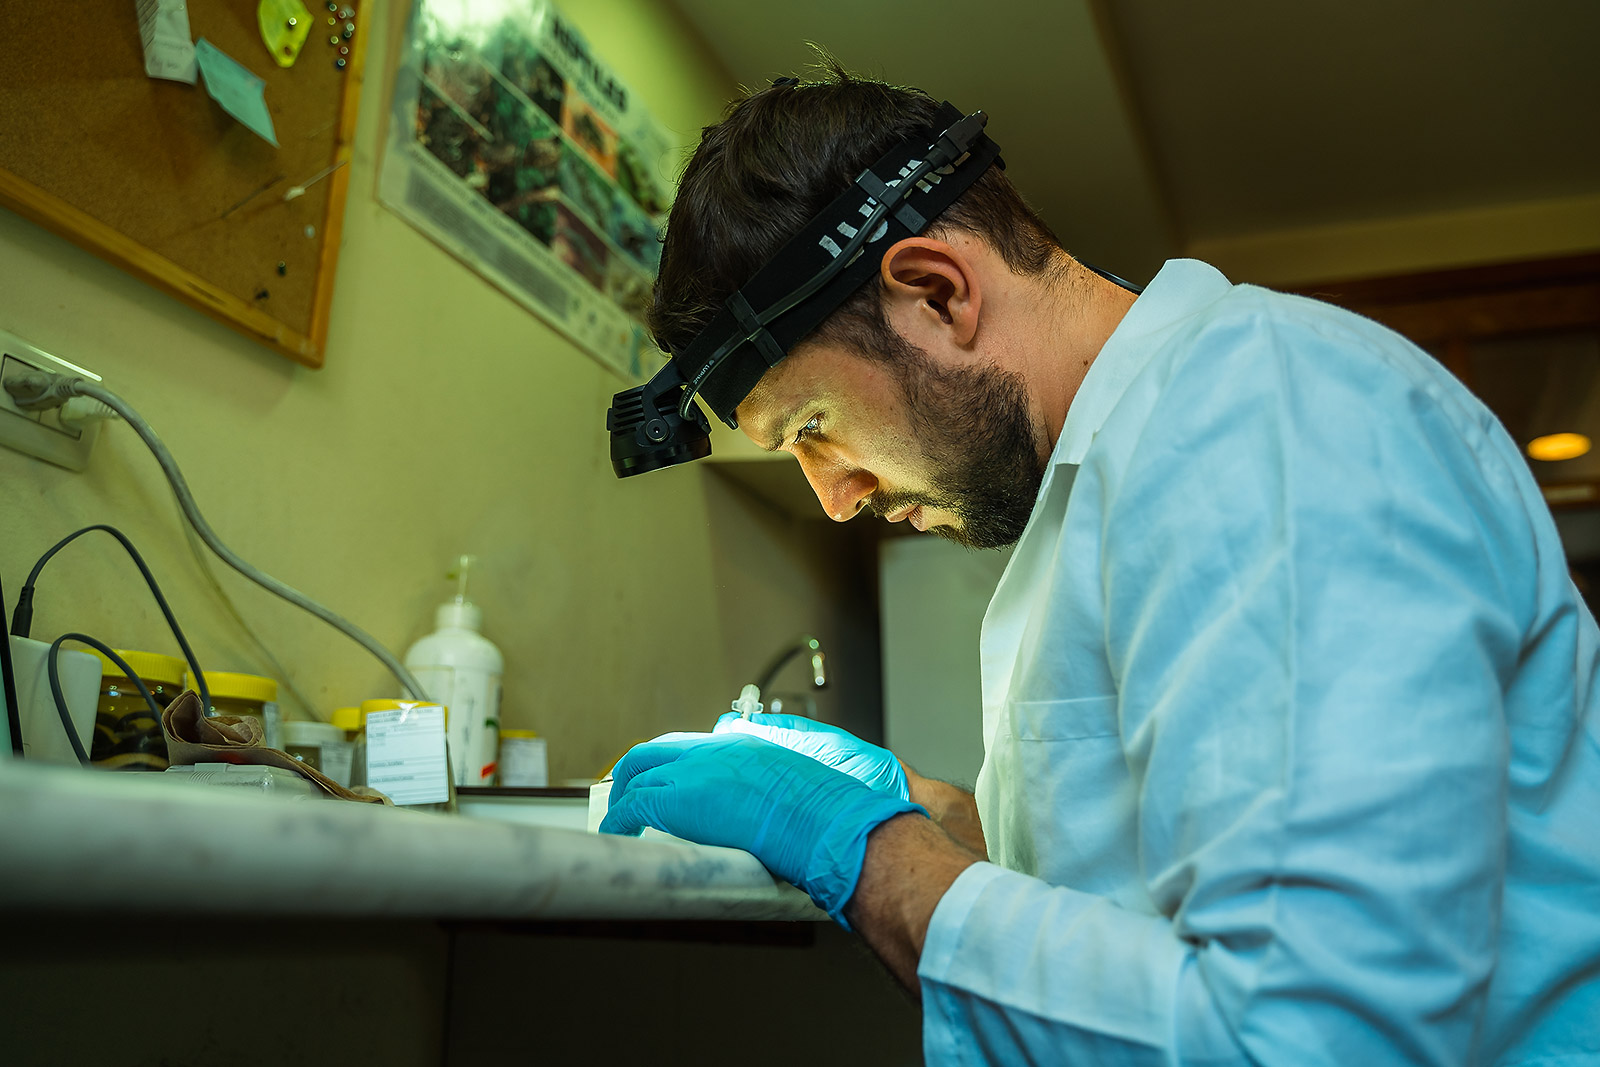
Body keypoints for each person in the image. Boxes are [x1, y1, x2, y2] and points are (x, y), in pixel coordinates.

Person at [600, 66, 1600, 1065]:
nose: (833, 494)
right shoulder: (1112, 477)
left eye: (813, 426)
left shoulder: (1263, 417)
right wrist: (944, 821)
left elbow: (1315, 1033)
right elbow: (1145, 896)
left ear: (937, 293)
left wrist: (871, 856)